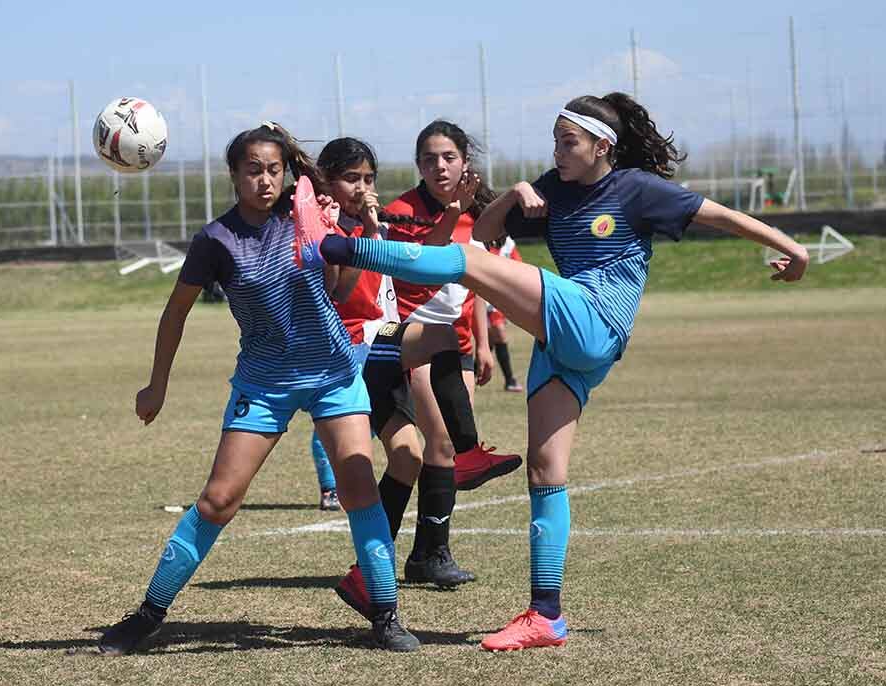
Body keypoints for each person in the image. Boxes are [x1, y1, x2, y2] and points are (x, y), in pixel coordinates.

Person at [293, 93, 809, 651]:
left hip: (594, 316)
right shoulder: (553, 185)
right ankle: (547, 615)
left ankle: (330, 244)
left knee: (464, 264)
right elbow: (485, 233)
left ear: (601, 146)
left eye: (569, 142)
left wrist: (794, 250)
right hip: (565, 344)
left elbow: (722, 216)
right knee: (546, 470)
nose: (558, 152)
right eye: (556, 141)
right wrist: (514, 195)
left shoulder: (637, 188)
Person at [98, 123, 420, 655]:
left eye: (274, 169)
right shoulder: (215, 240)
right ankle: (147, 616)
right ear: (234, 175)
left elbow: (339, 289)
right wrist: (157, 385)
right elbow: (175, 312)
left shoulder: (306, 218)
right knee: (219, 498)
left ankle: (385, 615)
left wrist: (342, 236)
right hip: (265, 382)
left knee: (360, 489)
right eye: (253, 170)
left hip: (334, 374)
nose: (265, 180)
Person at [307, 137, 522, 610]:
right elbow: (339, 295)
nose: (362, 188)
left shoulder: (368, 225)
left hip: (380, 347)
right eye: (351, 179)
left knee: (407, 458)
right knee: (442, 338)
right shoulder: (323, 226)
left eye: (368, 179)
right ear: (326, 181)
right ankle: (466, 455)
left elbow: (415, 273)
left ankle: (367, 573)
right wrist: (364, 227)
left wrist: (448, 214)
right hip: (351, 351)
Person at [381, 120, 510, 586]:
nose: (439, 166)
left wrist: (482, 342)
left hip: (456, 344)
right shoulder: (401, 211)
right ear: (418, 165)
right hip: (412, 337)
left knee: (450, 451)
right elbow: (413, 276)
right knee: (438, 444)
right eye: (430, 158)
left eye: (449, 157)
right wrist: (449, 217)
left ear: (464, 162)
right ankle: (413, 556)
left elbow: (472, 284)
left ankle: (429, 554)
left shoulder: (480, 214)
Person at [486, 238, 525, 393]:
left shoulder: (508, 243)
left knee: (491, 340)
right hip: (484, 297)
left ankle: (474, 371)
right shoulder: (482, 239)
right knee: (499, 334)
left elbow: (519, 267)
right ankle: (510, 380)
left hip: (499, 299)